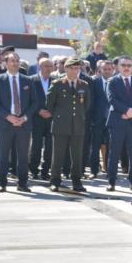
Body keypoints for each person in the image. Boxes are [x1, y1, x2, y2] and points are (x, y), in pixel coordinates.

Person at [0, 52, 38, 192]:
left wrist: (24, 117)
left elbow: (34, 102)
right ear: (6, 63)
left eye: (17, 60)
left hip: (24, 124)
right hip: (5, 124)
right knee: (2, 155)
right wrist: (8, 116)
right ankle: (2, 183)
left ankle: (22, 183)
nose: (15, 63)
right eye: (12, 60)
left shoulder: (27, 80)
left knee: (23, 156)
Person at [45, 57, 91, 192]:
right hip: (60, 125)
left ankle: (77, 181)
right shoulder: (57, 84)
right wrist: (60, 116)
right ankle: (55, 181)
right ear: (66, 68)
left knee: (77, 156)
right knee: (58, 156)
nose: (75, 71)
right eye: (72, 68)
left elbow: (87, 105)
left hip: (78, 125)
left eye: (77, 68)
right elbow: (49, 104)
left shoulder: (84, 85)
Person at [105, 56, 132, 191]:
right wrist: (126, 110)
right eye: (124, 65)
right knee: (114, 153)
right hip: (117, 121)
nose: (127, 68)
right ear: (118, 67)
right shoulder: (112, 82)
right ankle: (111, 181)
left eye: (129, 65)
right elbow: (112, 99)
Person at [29, 58, 54, 180]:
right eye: (46, 66)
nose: (49, 68)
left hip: (51, 118)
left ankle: (45, 171)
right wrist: (38, 110)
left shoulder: (56, 81)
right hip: (36, 118)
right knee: (36, 146)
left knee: (50, 146)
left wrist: (51, 112)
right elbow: (27, 100)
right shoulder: (31, 80)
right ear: (40, 67)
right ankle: (33, 170)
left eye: (51, 66)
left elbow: (59, 100)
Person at [88, 60, 114, 179]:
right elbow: (91, 101)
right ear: (100, 70)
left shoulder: (117, 82)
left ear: (113, 70)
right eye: (105, 69)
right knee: (95, 146)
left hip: (112, 120)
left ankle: (110, 171)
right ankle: (94, 170)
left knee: (111, 147)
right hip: (97, 120)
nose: (107, 71)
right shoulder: (94, 82)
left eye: (109, 69)